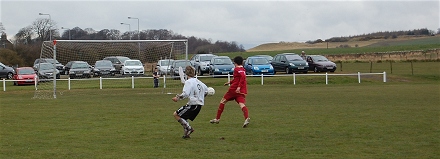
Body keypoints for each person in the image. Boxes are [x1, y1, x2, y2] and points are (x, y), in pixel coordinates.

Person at [210, 56, 250, 128]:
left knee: (223, 101)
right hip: (240, 91)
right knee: (241, 104)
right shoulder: (243, 69)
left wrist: (238, 87)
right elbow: (238, 79)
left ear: (235, 63)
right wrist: (230, 82)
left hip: (234, 90)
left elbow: (242, 77)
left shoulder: (237, 69)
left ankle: (217, 119)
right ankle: (246, 118)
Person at [172, 66, 208, 139]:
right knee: (184, 118)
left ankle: (189, 128)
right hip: (198, 105)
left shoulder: (188, 82)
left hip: (193, 105)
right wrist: (200, 97)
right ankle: (186, 134)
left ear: (186, 73)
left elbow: (185, 94)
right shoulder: (199, 81)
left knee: (176, 114)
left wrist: (177, 98)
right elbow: (206, 91)